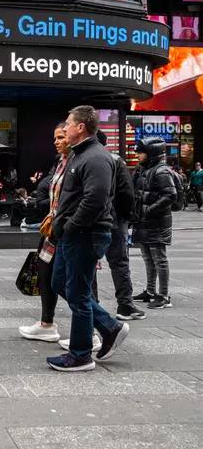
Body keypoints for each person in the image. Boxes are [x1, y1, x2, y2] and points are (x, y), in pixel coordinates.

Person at [46, 106, 129, 372]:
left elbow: (96, 199)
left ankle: (80, 355)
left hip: (85, 234)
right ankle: (109, 326)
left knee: (79, 294)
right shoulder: (78, 154)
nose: (64, 128)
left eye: (68, 124)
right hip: (72, 235)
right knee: (60, 283)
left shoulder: (96, 157)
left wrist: (71, 226)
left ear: (81, 127)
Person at [20, 123, 81, 345]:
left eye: (61, 137)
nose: (56, 142)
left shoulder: (80, 161)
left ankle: (96, 330)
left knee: (76, 283)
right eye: (55, 138)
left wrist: (69, 223)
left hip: (71, 231)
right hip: (53, 230)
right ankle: (46, 324)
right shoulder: (61, 162)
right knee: (46, 276)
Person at [95, 131, 145, 321]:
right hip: (115, 219)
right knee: (120, 263)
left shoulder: (81, 159)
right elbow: (126, 192)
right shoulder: (116, 160)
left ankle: (93, 305)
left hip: (91, 220)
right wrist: (126, 216)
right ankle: (125, 305)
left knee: (89, 265)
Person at [132, 137, 176, 310]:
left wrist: (148, 210)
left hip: (157, 222)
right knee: (148, 258)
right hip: (145, 221)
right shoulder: (144, 169)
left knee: (159, 259)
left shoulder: (161, 171)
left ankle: (163, 296)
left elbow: (170, 195)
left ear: (151, 153)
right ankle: (150, 291)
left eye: (140, 152)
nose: (137, 155)